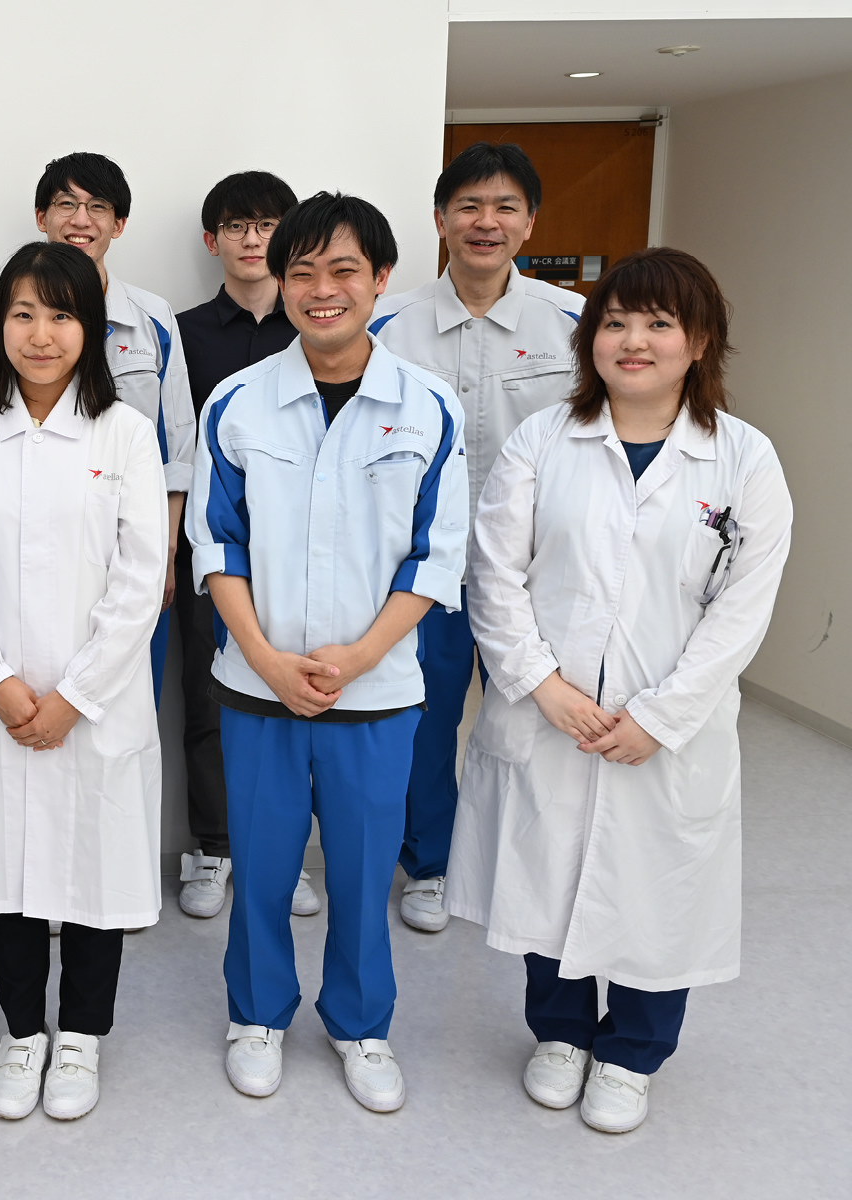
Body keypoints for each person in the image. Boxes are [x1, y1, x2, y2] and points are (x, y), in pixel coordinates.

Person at [449, 248, 791, 1134]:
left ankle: (635, 1051)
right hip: (552, 711)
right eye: (615, 322)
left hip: (667, 728)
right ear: (590, 338)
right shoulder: (542, 440)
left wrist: (660, 716)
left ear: (699, 342)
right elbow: (494, 572)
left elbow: (742, 609)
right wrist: (542, 685)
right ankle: (560, 1034)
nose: (633, 341)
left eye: (658, 324)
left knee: (656, 886)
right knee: (547, 869)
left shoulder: (743, 459)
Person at [186, 192, 467, 1114]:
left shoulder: (427, 406)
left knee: (359, 871)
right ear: (282, 282)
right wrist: (269, 660)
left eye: (344, 269)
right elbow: (215, 544)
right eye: (301, 271)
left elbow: (436, 556)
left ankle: (360, 1024)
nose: (321, 289)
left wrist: (357, 658)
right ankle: (257, 1014)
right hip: (257, 685)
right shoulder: (237, 401)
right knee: (265, 867)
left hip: (376, 690)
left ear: (381, 279)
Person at [0, 241, 166, 1122]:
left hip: (93, 706)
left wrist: (73, 698)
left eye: (61, 315)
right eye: (22, 314)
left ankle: (83, 1037)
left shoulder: (125, 432)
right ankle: (23, 1032)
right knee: (8, 876)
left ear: (89, 329)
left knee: (94, 875)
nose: (40, 334)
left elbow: (142, 578)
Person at [369, 142, 583, 934]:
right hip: (425, 570)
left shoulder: (574, 324)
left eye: (503, 208)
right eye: (468, 206)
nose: (484, 222)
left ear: (530, 223)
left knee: (529, 724)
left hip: (536, 574)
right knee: (422, 722)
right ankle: (429, 864)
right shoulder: (389, 325)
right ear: (439, 220)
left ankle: (521, 868)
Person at [0, 153, 194, 709]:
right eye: (66, 204)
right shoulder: (10, 318)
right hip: (41, 537)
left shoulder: (153, 318)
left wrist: (165, 551)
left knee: (124, 690)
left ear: (118, 224)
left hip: (134, 540)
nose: (81, 220)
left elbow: (178, 442)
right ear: (42, 217)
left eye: (97, 207)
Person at [171, 170, 317, 922]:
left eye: (267, 225)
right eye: (237, 225)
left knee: (297, 702)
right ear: (213, 240)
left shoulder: (318, 326)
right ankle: (213, 848)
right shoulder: (181, 333)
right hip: (214, 549)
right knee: (209, 702)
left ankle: (284, 857)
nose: (253, 239)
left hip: (304, 553)